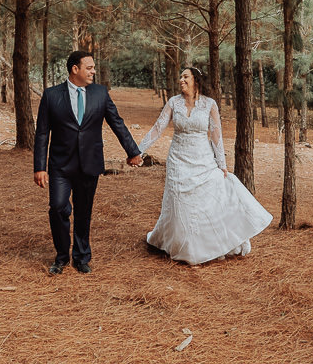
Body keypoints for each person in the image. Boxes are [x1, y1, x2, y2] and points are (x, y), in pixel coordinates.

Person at [137, 66, 272, 265]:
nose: (181, 80)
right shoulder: (173, 103)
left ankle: (208, 245)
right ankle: (182, 244)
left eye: (185, 77)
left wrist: (222, 164)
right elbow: (158, 129)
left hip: (203, 159)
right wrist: (138, 150)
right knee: (180, 202)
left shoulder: (210, 104)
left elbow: (216, 135)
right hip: (178, 159)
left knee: (207, 200)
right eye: (180, 77)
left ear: (196, 80)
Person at [34, 50, 142, 275]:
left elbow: (117, 122)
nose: (93, 71)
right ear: (75, 69)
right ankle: (62, 257)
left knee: (83, 212)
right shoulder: (52, 95)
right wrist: (40, 167)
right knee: (58, 207)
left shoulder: (100, 93)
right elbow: (42, 134)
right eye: (89, 67)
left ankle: (81, 257)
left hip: (89, 164)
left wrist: (133, 151)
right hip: (60, 166)